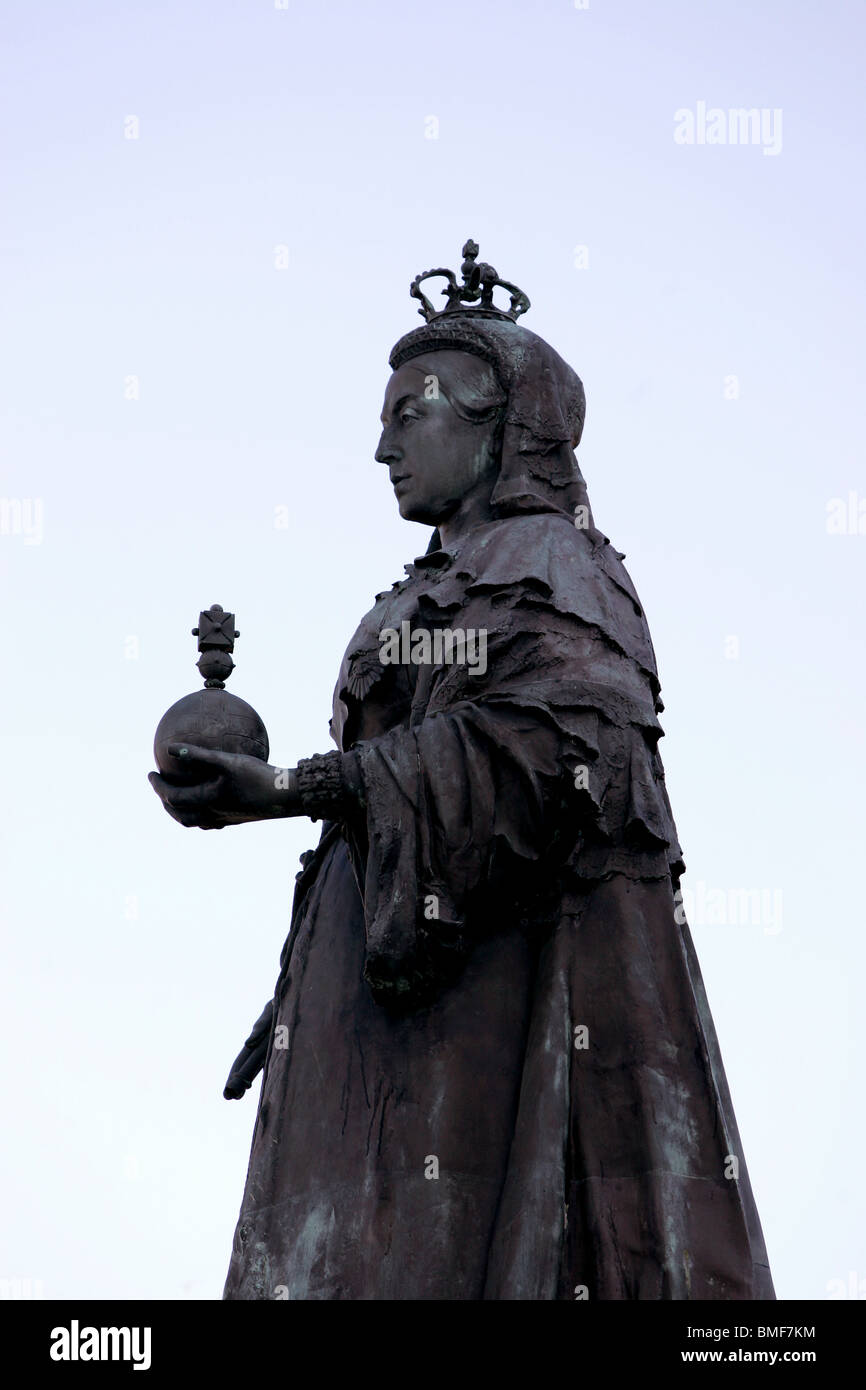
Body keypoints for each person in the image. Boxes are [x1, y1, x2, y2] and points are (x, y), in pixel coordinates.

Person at [149, 244, 775, 1300]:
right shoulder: (409, 596)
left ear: (501, 428)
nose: (380, 445)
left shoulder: (561, 564)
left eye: (409, 414)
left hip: (492, 982)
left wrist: (298, 787)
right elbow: (402, 770)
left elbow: (560, 752)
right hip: (368, 981)